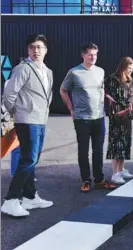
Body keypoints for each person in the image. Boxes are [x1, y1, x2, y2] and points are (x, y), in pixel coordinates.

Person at [1, 34, 53, 217]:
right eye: (32, 47)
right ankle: (11, 200)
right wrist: (16, 113)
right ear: (28, 50)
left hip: (41, 120)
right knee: (28, 159)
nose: (36, 50)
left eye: (39, 47)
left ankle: (30, 196)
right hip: (26, 120)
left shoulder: (47, 71)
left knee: (33, 159)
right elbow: (9, 94)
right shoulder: (22, 68)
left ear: (46, 50)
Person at [60, 42, 116, 192]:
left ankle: (99, 179)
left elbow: (101, 88)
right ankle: (86, 180)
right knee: (83, 150)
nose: (93, 57)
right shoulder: (74, 72)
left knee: (98, 150)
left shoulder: (100, 71)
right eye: (90, 54)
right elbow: (63, 90)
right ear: (83, 55)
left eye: (95, 54)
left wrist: (103, 101)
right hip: (82, 118)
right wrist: (71, 109)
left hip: (99, 117)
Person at [104, 57, 133, 184]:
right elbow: (104, 90)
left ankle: (121, 169)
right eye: (128, 68)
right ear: (122, 66)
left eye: (132, 69)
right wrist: (108, 98)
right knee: (116, 143)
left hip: (127, 115)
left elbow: (130, 95)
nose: (130, 71)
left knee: (125, 142)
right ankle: (115, 173)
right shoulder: (112, 79)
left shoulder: (129, 79)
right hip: (117, 115)